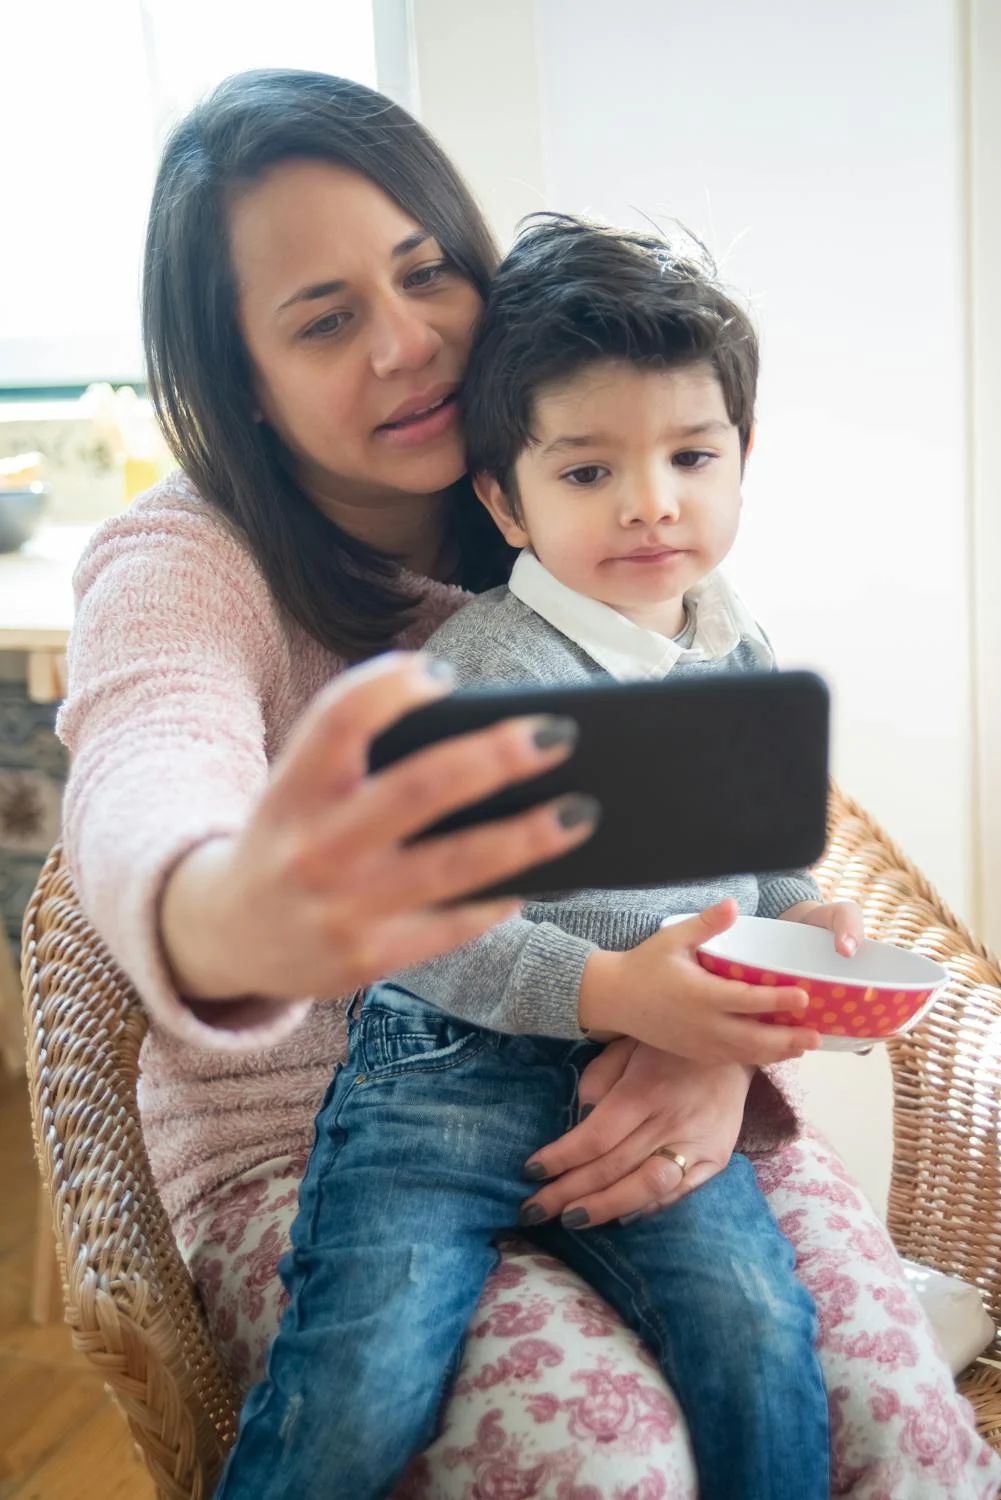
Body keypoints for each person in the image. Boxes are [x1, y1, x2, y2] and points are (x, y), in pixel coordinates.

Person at [56, 69, 1001, 1499]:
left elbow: (734, 847)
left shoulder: (600, 486)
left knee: (886, 1427)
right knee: (610, 1464)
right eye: (323, 320)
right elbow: (144, 771)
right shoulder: (185, 565)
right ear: (239, 381)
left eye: (425, 271)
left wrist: (713, 1038)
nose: (409, 343)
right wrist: (225, 908)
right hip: (333, 1142)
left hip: (655, 1079)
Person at [215, 214, 851, 1500]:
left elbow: (763, 862)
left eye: (689, 455)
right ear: (502, 495)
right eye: (585, 473)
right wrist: (610, 989)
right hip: (440, 1080)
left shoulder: (740, 649)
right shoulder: (467, 672)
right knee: (360, 1378)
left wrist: (809, 922)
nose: (649, 503)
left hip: (643, 1080)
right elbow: (419, 916)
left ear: (739, 462)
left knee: (757, 1333)